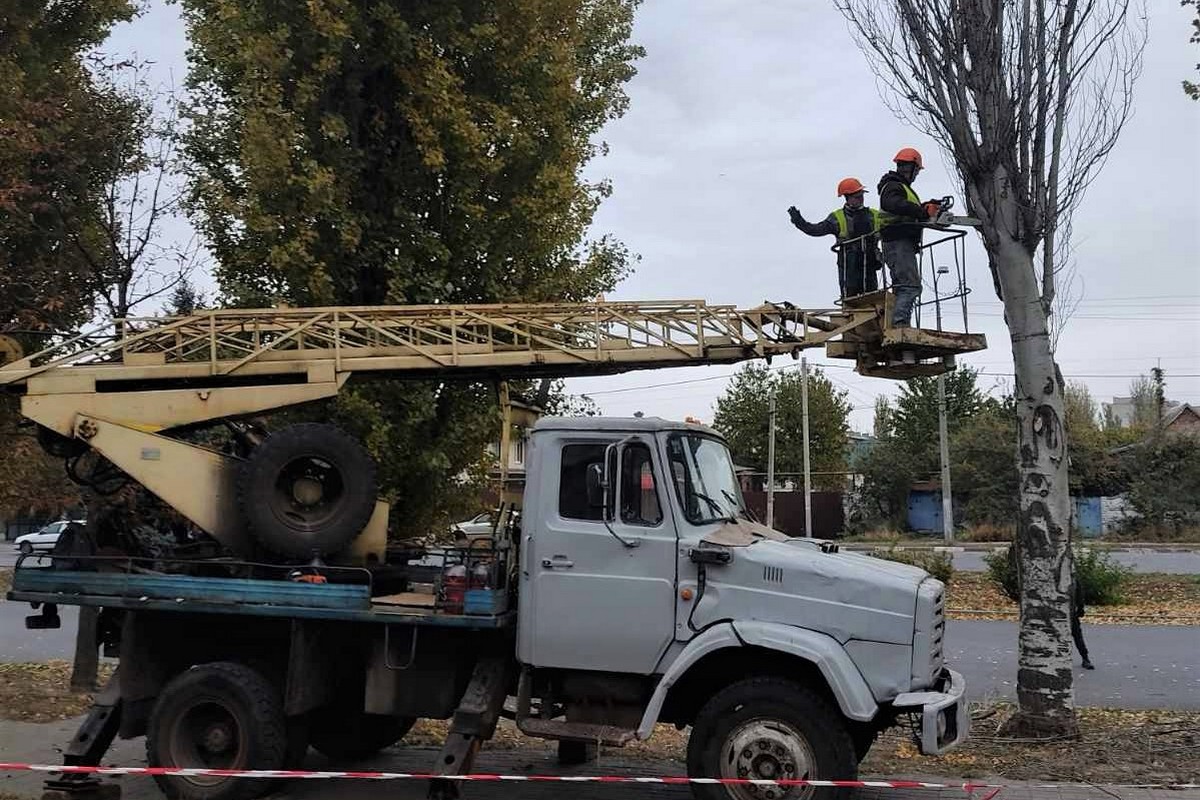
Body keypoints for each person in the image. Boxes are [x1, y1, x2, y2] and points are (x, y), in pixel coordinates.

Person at [787, 178, 883, 299]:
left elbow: (891, 229)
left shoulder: (874, 215)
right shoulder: (837, 218)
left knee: (872, 298)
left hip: (869, 263)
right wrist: (799, 222)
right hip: (849, 266)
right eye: (857, 196)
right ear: (847, 197)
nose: (860, 199)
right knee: (850, 299)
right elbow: (815, 230)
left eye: (861, 195)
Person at [877, 147, 941, 327]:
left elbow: (903, 206)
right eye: (916, 171)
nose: (915, 175)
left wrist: (924, 207)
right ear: (910, 168)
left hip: (898, 242)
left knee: (902, 286)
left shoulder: (900, 188)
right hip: (898, 242)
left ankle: (898, 322)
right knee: (911, 286)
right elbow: (892, 204)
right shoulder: (893, 186)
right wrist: (921, 211)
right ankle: (900, 323)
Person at [1071, 570, 1095, 670]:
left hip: (1069, 611)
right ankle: (1085, 659)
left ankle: (1085, 658)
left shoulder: (1072, 578)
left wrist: (1080, 607)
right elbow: (1079, 593)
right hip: (1069, 611)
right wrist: (1080, 608)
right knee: (1077, 636)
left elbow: (1079, 593)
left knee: (1077, 635)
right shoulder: (1072, 576)